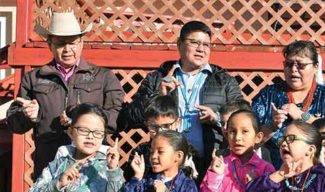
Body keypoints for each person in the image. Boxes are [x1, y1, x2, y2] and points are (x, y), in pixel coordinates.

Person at [7, 11, 123, 179]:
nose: (67, 49)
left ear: (81, 42)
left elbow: (117, 118)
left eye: (73, 43)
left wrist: (82, 119)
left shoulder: (104, 77)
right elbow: (15, 124)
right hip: (50, 163)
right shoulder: (34, 78)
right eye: (61, 44)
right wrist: (26, 115)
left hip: (92, 165)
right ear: (50, 44)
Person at [119, 20, 243, 176]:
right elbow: (129, 118)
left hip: (210, 165)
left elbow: (244, 117)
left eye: (206, 45)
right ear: (179, 44)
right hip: (165, 165)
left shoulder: (224, 81)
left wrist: (217, 118)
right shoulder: (157, 78)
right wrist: (158, 96)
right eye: (194, 43)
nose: (201, 49)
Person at [252, 40, 325, 167]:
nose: (293, 69)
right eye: (288, 64)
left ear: (315, 67)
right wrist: (272, 126)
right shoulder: (268, 95)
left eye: (301, 65)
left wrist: (303, 116)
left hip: (319, 174)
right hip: (276, 171)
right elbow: (249, 141)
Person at [122, 95, 180, 181]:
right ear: (147, 125)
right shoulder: (140, 152)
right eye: (154, 126)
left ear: (177, 123)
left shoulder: (187, 152)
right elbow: (129, 185)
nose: (160, 131)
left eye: (166, 126)